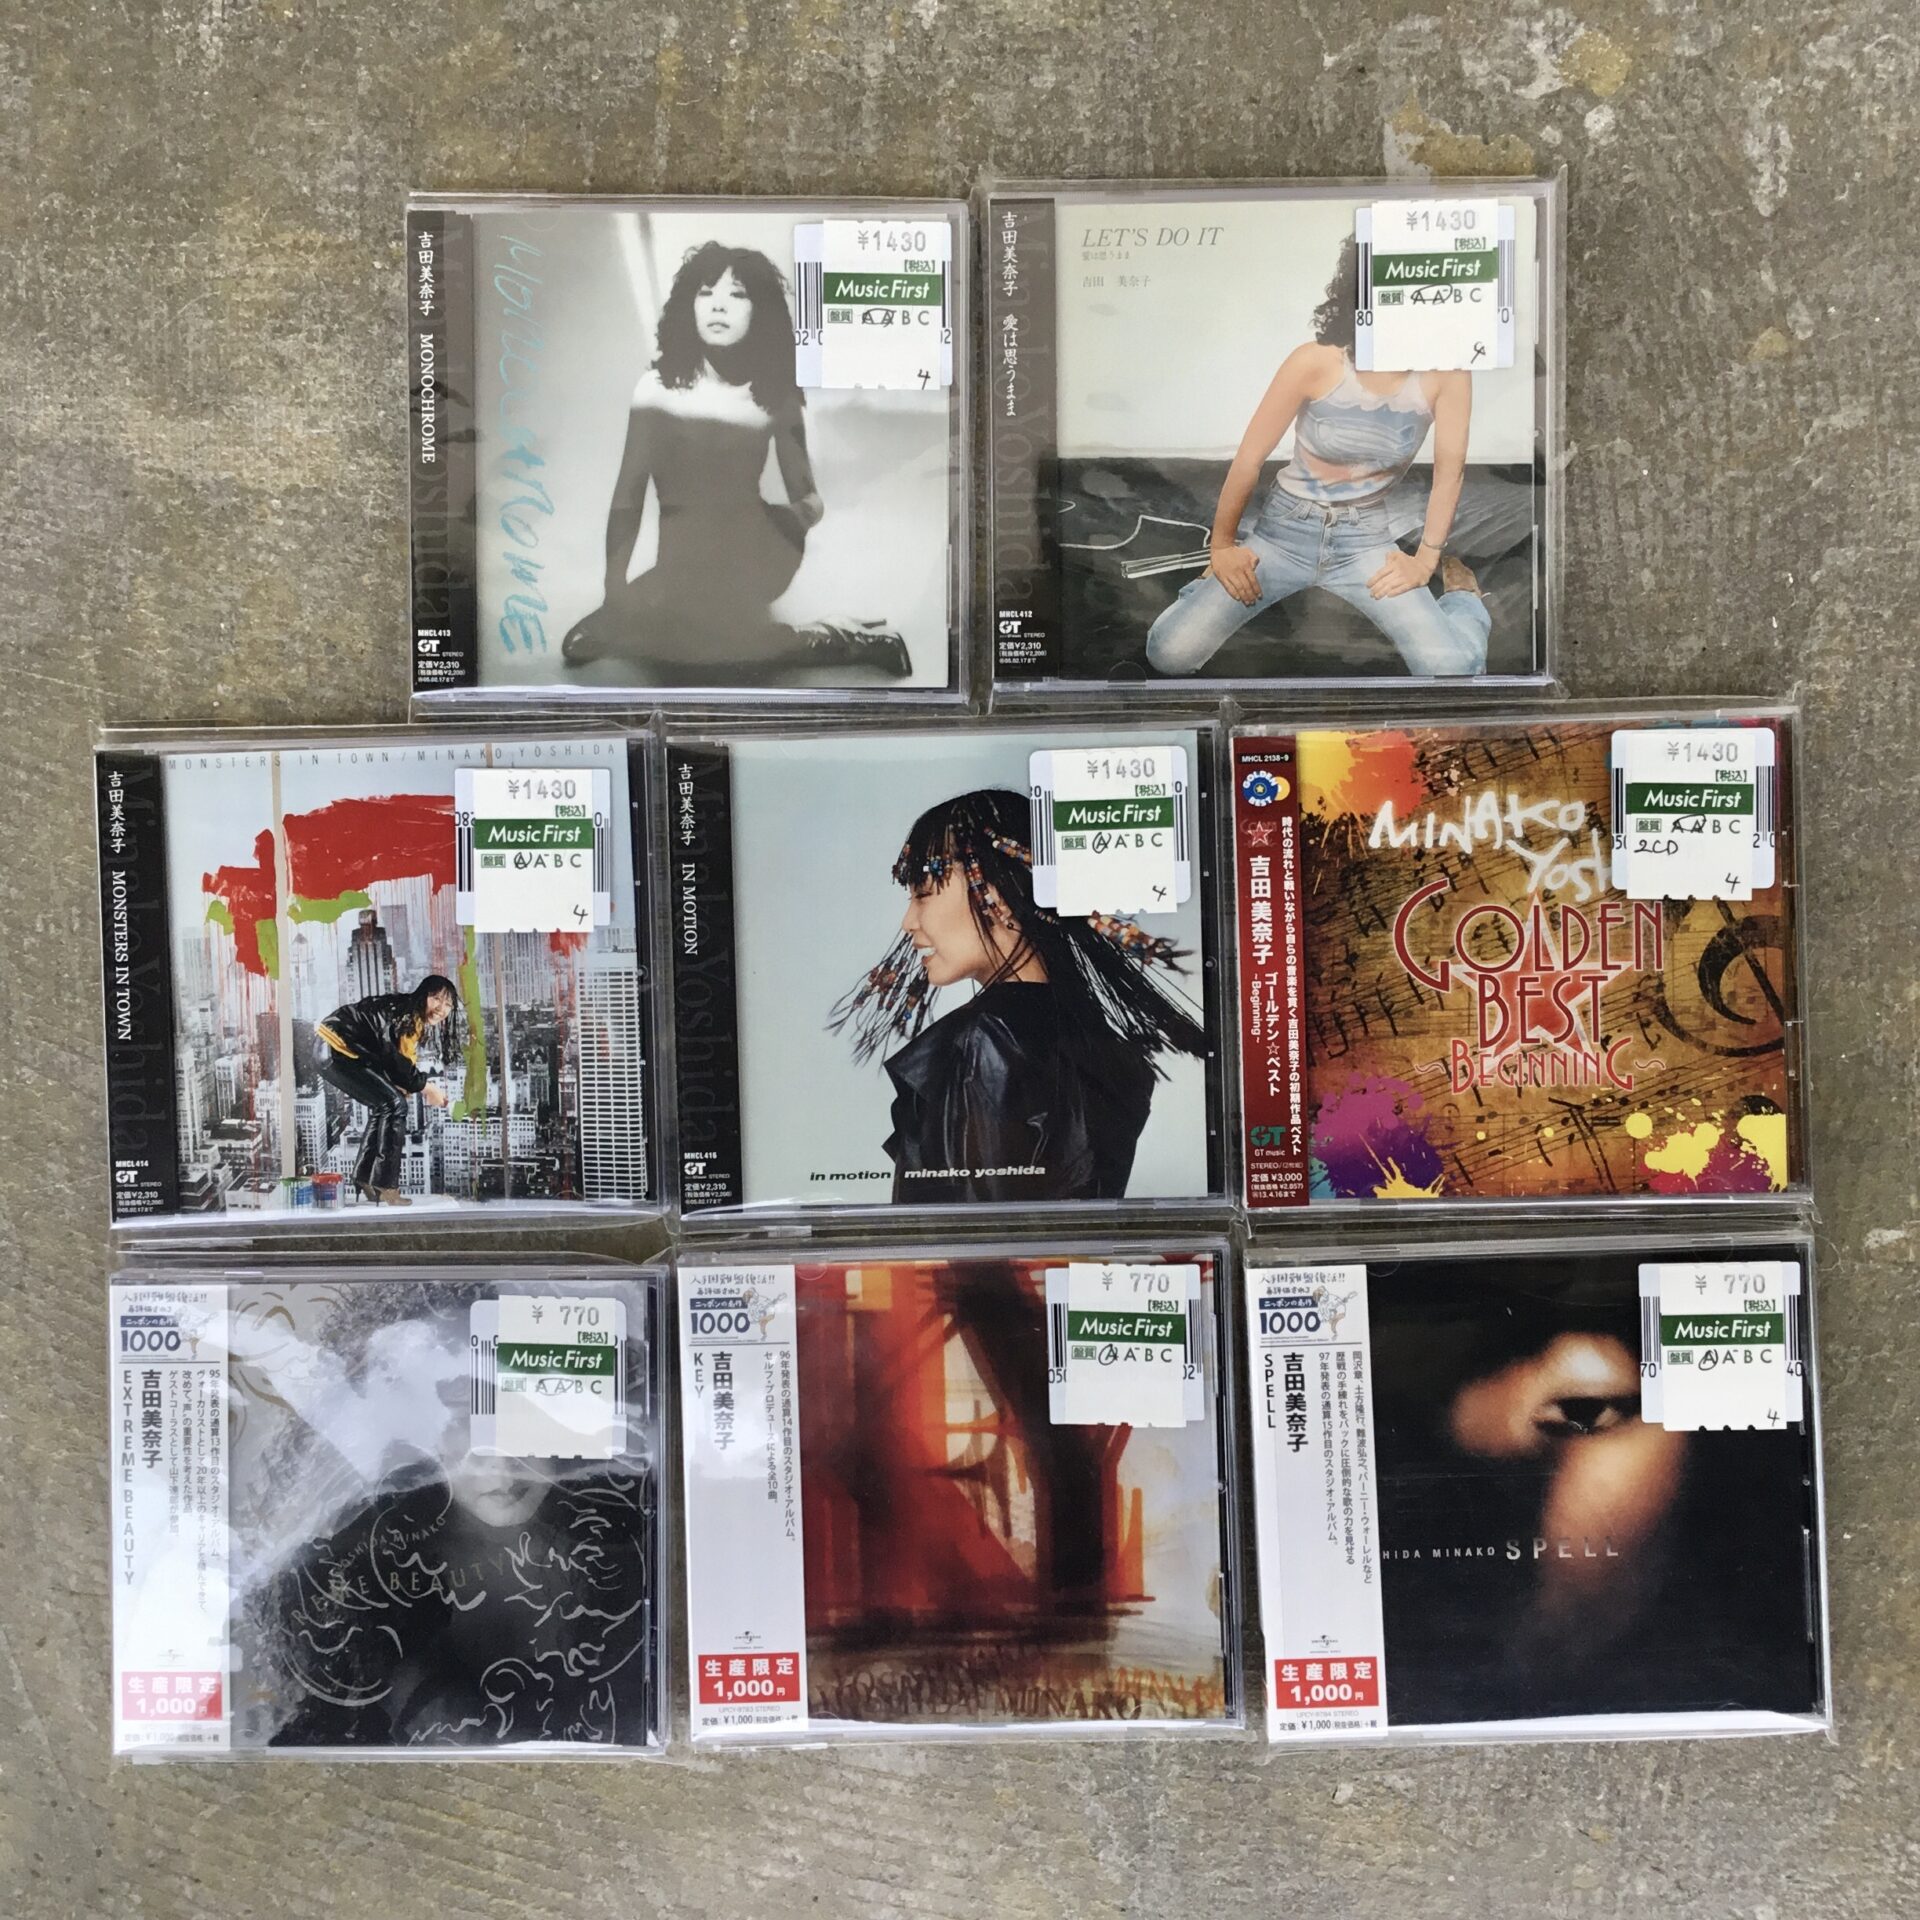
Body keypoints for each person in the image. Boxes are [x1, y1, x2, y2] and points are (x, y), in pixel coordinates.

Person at [831, 788, 1209, 1203]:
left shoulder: (984, 1042)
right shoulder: (1092, 1042)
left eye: (922, 892)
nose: (908, 921)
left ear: (997, 895)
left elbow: (975, 1231)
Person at [561, 240, 910, 684]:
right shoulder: (655, 390)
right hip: (682, 560)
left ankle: (838, 635)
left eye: (737, 294)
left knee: (714, 658)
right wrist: (613, 591)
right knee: (616, 640)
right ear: (688, 306)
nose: (718, 305)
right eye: (705, 292)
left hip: (753, 555)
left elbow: (810, 498)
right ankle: (661, 606)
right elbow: (627, 495)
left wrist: (787, 523)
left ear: (760, 311)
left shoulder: (775, 397)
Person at [1145, 235, 1492, 679]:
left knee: (1453, 668)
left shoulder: (1447, 375)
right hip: (1283, 533)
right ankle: (1203, 587)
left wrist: (1426, 560)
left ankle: (1464, 599)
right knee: (1169, 653)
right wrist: (1223, 547)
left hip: (1365, 541)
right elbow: (1249, 459)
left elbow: (1450, 473)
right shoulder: (1314, 362)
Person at [313, 974, 457, 1205]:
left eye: (448, 1004)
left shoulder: (406, 1014)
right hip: (338, 1048)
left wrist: (407, 1084)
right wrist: (427, 1087)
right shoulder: (407, 1016)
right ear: (423, 995)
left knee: (386, 1104)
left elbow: (400, 1059)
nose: (441, 1009)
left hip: (332, 1048)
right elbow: (395, 1060)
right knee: (395, 1105)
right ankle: (386, 1185)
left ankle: (364, 1178)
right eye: (436, 999)